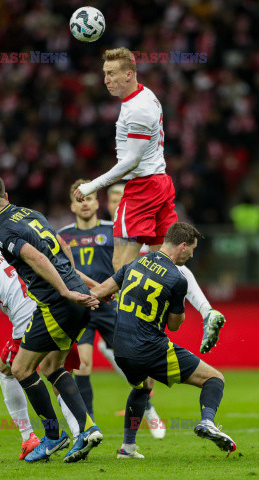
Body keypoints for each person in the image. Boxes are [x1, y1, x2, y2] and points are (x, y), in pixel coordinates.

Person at [74, 47, 225, 354]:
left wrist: (94, 185)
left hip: (142, 188)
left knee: (121, 265)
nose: (105, 79)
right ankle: (206, 311)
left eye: (112, 73)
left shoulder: (138, 109)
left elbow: (130, 161)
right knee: (165, 261)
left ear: (129, 74)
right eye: (104, 73)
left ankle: (139, 334)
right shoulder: (143, 97)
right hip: (160, 183)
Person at [0, 174, 102, 464]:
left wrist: (65, 291)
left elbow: (36, 258)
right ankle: (87, 428)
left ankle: (54, 436)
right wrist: (85, 286)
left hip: (58, 302)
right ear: (6, 194)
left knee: (20, 368)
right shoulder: (33, 213)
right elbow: (63, 249)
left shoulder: (0, 229)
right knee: (52, 365)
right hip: (75, 294)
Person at [91, 222, 236, 458]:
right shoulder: (178, 279)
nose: (192, 254)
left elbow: (101, 291)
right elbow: (174, 325)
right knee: (214, 378)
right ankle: (207, 422)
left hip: (121, 349)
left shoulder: (133, 263)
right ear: (181, 246)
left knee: (142, 386)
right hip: (149, 347)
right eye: (192, 248)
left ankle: (127, 448)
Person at [0, 220, 81, 460]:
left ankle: (31, 436)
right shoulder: (8, 252)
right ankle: (80, 434)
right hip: (54, 313)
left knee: (6, 370)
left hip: (29, 326)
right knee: (56, 373)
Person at [59, 179, 165, 439]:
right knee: (82, 365)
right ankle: (88, 427)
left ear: (98, 202)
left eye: (90, 198)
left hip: (110, 306)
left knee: (132, 361)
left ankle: (148, 407)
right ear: (72, 206)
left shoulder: (113, 230)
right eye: (79, 200)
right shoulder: (63, 236)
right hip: (81, 308)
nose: (85, 204)